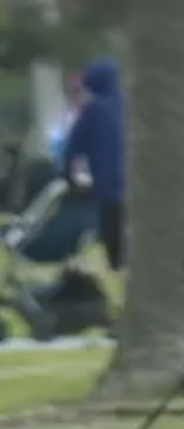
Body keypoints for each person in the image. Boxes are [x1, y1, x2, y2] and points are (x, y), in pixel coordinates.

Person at [59, 58, 127, 271]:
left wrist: (69, 179)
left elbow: (72, 149)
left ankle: (118, 271)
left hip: (109, 188)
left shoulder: (93, 111)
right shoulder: (131, 105)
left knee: (113, 237)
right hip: (136, 187)